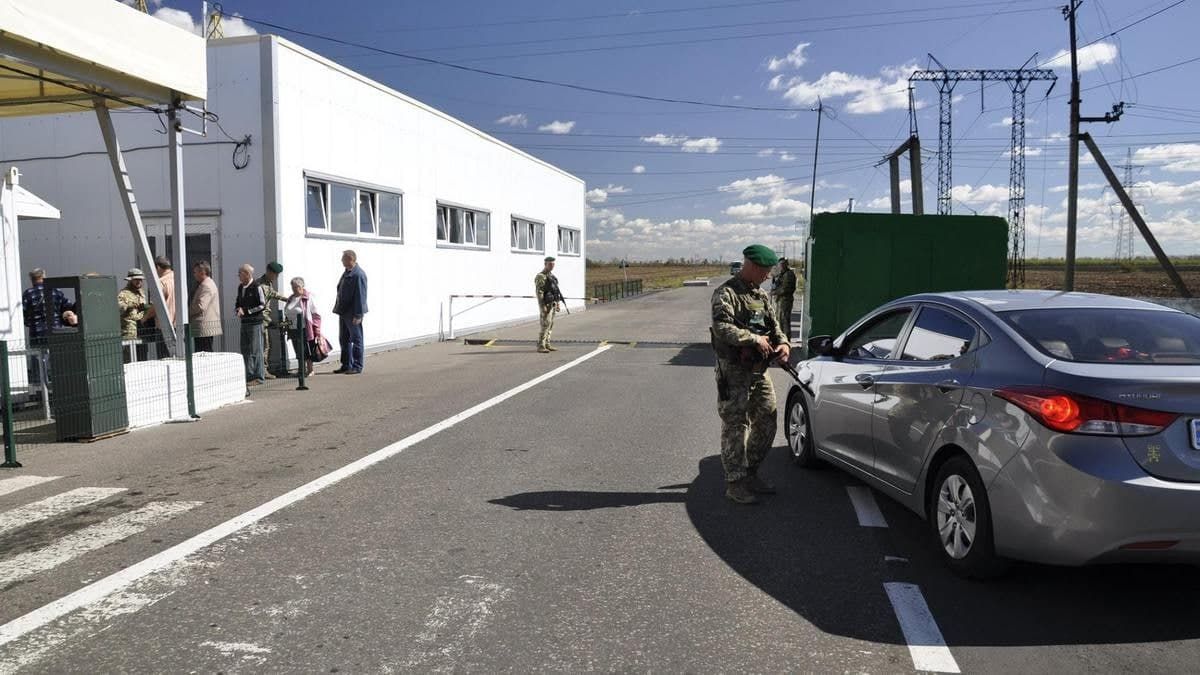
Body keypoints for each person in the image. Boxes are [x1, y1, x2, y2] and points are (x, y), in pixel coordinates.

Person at [710, 244, 791, 505]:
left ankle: (751, 472)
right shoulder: (726, 293)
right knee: (735, 426)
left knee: (768, 418)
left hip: (758, 371)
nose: (768, 275)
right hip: (734, 372)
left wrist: (784, 345)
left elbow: (775, 325)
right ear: (753, 267)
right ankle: (734, 483)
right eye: (766, 271)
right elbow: (722, 327)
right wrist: (752, 338)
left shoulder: (761, 295)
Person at [21, 268, 72, 383]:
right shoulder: (56, 291)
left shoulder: (28, 294)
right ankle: (59, 381)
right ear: (44, 276)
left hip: (37, 332)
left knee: (37, 357)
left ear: (31, 279)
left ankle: (39, 383)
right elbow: (67, 306)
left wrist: (29, 323)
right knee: (55, 356)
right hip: (55, 330)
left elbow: (23, 313)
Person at [332, 250, 368, 374]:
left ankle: (357, 366)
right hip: (343, 311)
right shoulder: (347, 272)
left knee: (356, 339)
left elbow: (360, 295)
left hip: (352, 313)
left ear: (350, 259)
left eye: (343, 258)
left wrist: (358, 314)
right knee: (344, 339)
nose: (341, 260)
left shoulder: (358, 274)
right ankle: (347, 364)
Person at [234, 263, 267, 384]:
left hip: (255, 323)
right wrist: (237, 309)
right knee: (245, 350)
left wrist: (247, 311)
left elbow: (262, 305)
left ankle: (259, 376)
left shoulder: (256, 286)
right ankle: (248, 375)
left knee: (255, 350)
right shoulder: (240, 287)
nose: (239, 276)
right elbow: (238, 302)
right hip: (244, 322)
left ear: (247, 274)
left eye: (240, 274)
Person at [258, 261, 288, 378]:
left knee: (267, 345)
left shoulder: (267, 283)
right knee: (264, 346)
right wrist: (269, 321)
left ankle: (263, 370)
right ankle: (263, 371)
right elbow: (261, 307)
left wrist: (287, 299)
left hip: (264, 320)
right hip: (262, 320)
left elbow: (273, 294)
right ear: (270, 272)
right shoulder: (262, 286)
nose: (277, 277)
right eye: (276, 274)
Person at [283, 277, 316, 377]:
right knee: (298, 350)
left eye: (297, 287)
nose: (294, 289)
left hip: (304, 328)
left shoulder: (308, 297)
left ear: (302, 286)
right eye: (293, 287)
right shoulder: (291, 298)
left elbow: (315, 313)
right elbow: (287, 312)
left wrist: (317, 329)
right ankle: (301, 370)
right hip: (292, 328)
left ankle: (310, 370)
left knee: (306, 349)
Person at [117, 268, 151, 362]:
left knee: (142, 356)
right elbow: (118, 308)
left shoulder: (141, 292)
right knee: (130, 358)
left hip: (142, 329)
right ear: (130, 280)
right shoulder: (123, 294)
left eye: (140, 280)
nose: (139, 282)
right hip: (129, 331)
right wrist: (129, 305)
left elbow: (142, 308)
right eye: (136, 279)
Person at [145, 255, 175, 359]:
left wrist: (144, 318)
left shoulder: (161, 283)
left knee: (164, 358)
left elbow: (156, 307)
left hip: (164, 327)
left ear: (157, 267)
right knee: (178, 357)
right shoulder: (178, 279)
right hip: (179, 325)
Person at [189, 260, 222, 352]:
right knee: (203, 352)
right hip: (202, 327)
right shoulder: (204, 284)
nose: (194, 274)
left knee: (204, 353)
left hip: (204, 327)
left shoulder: (206, 286)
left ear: (202, 272)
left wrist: (186, 312)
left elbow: (200, 306)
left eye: (195, 272)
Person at [534, 256, 562, 353]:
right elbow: (539, 292)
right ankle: (541, 345)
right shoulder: (541, 276)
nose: (552, 266)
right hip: (546, 304)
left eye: (553, 264)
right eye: (550, 264)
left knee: (550, 325)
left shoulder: (552, 276)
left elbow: (556, 291)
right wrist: (543, 306)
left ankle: (547, 344)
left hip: (553, 303)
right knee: (545, 324)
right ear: (545, 264)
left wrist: (558, 303)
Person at [770, 257, 797, 343]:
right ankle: (781, 340)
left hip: (785, 301)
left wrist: (774, 292)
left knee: (784, 321)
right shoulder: (782, 274)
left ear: (785, 264)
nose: (780, 266)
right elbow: (777, 284)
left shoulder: (789, 274)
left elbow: (786, 289)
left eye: (782, 264)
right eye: (780, 265)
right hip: (780, 301)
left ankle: (786, 341)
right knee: (779, 321)